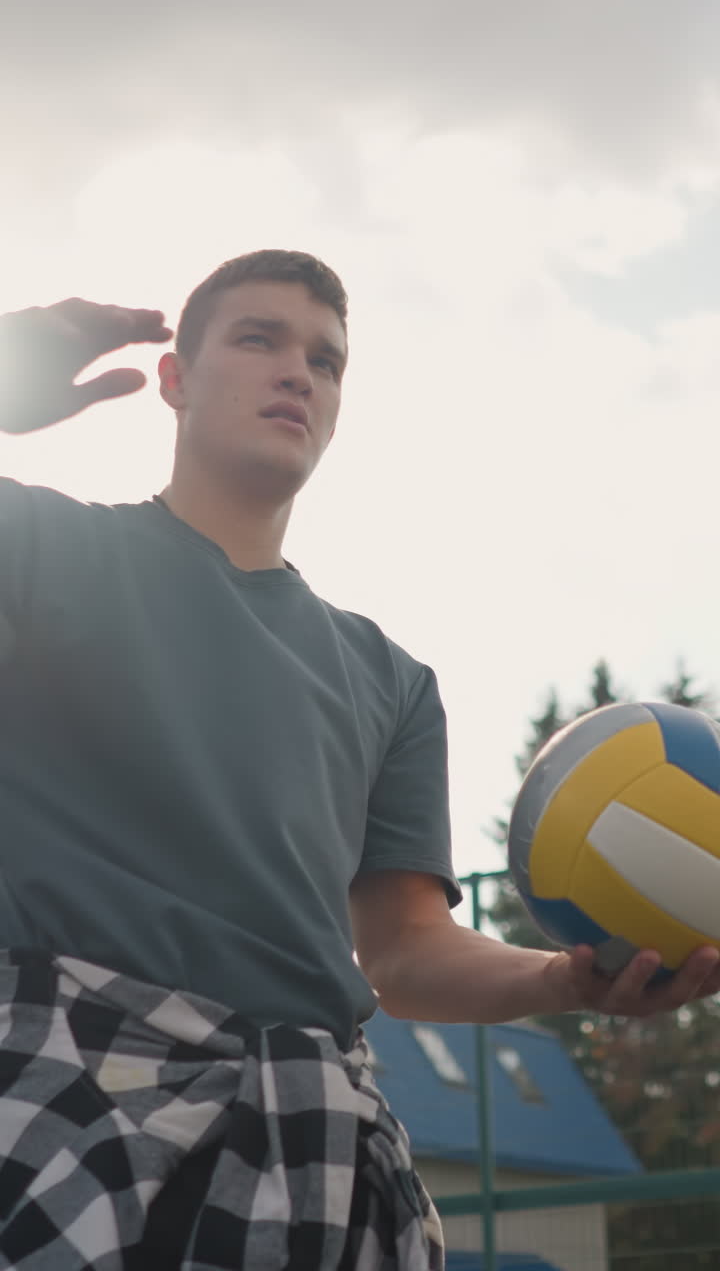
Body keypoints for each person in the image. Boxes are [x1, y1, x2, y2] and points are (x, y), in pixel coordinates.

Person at [0, 251, 718, 1271]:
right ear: (175, 377)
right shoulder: (37, 543)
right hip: (73, 1097)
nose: (298, 371)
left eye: (326, 360)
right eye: (259, 339)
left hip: (317, 1141)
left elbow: (402, 952)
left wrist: (566, 977)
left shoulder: (391, 678)